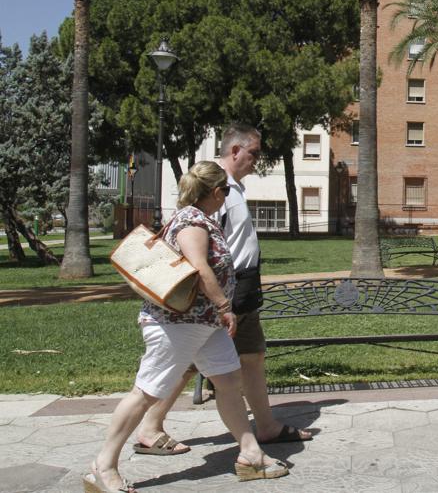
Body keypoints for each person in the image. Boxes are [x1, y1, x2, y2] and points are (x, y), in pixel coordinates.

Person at [85, 161, 288, 493]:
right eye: (225, 191)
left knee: (228, 381)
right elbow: (198, 268)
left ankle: (251, 454)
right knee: (146, 393)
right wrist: (225, 306)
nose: (226, 197)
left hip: (202, 324)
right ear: (216, 191)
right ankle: (102, 467)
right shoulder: (193, 222)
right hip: (178, 324)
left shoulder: (199, 218)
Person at [134, 124, 312, 456]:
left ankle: (267, 426)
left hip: (242, 289)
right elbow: (202, 250)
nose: (257, 160)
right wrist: (219, 300)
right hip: (225, 295)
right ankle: (150, 425)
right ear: (234, 151)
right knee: (189, 363)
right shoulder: (220, 192)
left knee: (252, 355)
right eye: (254, 153)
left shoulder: (234, 190)